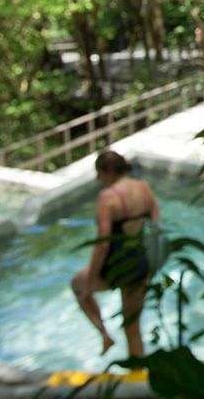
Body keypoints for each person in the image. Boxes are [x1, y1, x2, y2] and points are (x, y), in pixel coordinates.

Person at [71, 150, 160, 358]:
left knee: (78, 286)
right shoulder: (144, 188)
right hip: (141, 263)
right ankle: (139, 376)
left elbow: (102, 244)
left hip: (117, 266)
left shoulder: (108, 197)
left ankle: (104, 335)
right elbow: (156, 226)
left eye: (100, 174)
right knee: (133, 327)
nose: (99, 180)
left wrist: (91, 281)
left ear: (108, 171)